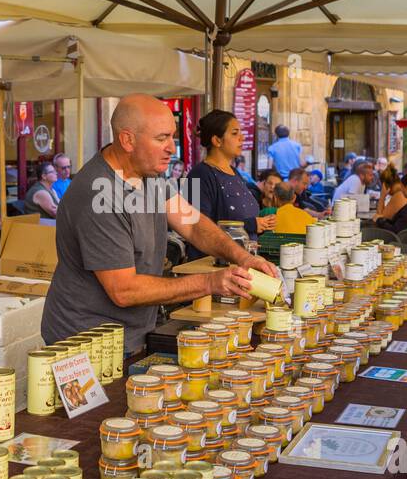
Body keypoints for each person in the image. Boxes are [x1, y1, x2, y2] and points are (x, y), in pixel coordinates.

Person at [40, 94, 280, 354]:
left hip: (130, 334)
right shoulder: (100, 194)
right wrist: (210, 283)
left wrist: (243, 258)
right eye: (161, 138)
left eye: (172, 137)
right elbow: (124, 290)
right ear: (127, 140)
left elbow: (192, 224)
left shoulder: (148, 174)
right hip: (86, 344)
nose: (171, 148)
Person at [185, 110, 275, 260]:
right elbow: (196, 227)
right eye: (234, 133)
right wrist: (251, 225)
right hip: (212, 267)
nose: (242, 137)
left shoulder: (235, 173)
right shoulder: (198, 175)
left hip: (242, 263)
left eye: (241, 132)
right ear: (217, 140)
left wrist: (262, 225)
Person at [374, 168, 407, 234]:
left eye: (402, 187)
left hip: (398, 241)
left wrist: (379, 220)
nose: (401, 190)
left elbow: (395, 230)